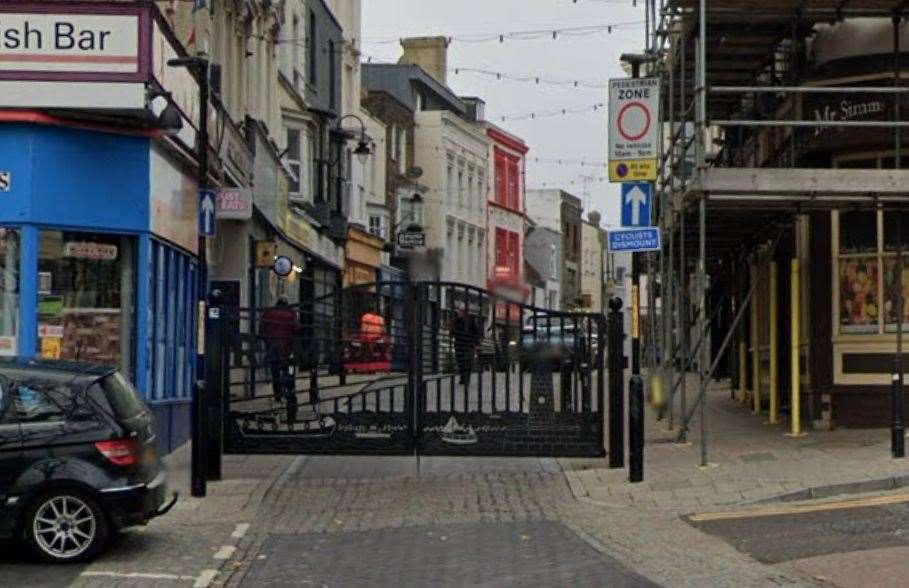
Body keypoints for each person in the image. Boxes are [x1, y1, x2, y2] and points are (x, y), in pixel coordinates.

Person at [259, 297, 301, 428]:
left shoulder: (268, 313)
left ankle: (277, 395)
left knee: (274, 371)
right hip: (287, 349)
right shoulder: (291, 313)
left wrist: (268, 343)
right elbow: (297, 329)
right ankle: (289, 394)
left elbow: (262, 330)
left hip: (273, 348)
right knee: (288, 371)